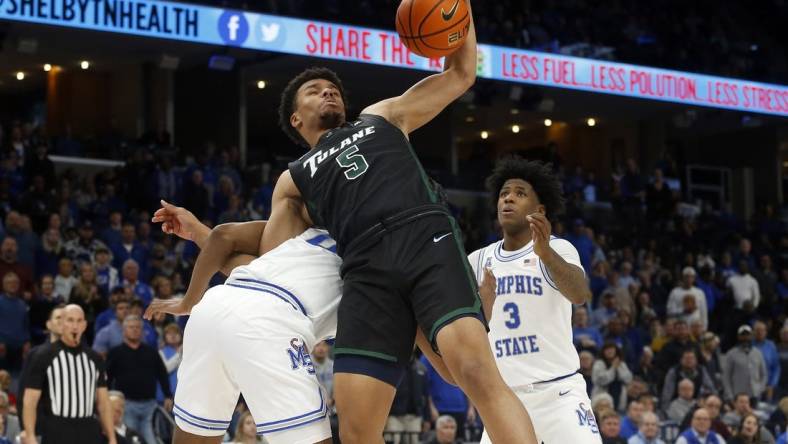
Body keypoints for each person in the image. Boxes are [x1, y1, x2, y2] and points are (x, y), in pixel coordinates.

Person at [159, 4, 536, 444]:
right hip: (363, 267)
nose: (329, 93)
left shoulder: (381, 116)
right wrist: (200, 233)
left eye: (333, 88)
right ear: (296, 119)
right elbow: (268, 262)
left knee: (472, 371)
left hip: (421, 234)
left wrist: (464, 12)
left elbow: (461, 75)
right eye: (315, 91)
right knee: (357, 429)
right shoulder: (293, 178)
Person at [468, 157, 600, 444]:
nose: (508, 199)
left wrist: (546, 255)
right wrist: (482, 310)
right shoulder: (477, 261)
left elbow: (580, 294)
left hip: (558, 393)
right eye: (504, 194)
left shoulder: (558, 248)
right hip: (504, 400)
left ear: (539, 210)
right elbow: (465, 333)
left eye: (519, 193)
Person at [21, 304, 116, 444]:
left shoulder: (95, 358)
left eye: (79, 321)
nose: (75, 326)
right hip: (57, 429)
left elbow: (103, 403)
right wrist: (30, 434)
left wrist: (112, 437)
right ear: (62, 324)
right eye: (70, 320)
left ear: (84, 325)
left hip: (88, 429)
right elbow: (30, 401)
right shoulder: (43, 356)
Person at [106, 315, 172, 444]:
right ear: (124, 330)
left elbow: (162, 374)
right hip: (127, 405)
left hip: (150, 405)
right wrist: (107, 400)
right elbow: (107, 377)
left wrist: (168, 395)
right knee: (131, 441)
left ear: (142, 331)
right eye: (131, 327)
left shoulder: (151, 352)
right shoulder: (115, 353)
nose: (135, 330)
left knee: (151, 440)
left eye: (138, 327)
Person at [723, 326, 767, 401]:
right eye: (743, 335)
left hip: (754, 395)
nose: (745, 338)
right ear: (739, 337)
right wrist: (730, 395)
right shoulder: (731, 354)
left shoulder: (758, 353)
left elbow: (764, 374)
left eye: (747, 335)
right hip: (738, 396)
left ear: (751, 336)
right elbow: (726, 377)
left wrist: (760, 389)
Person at [593, 342, 634, 412]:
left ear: (616, 351)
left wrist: (618, 368)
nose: (609, 351)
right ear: (603, 352)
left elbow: (628, 379)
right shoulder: (599, 363)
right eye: (607, 349)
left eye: (612, 349)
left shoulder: (621, 364)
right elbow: (600, 380)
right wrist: (613, 368)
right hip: (602, 400)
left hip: (619, 398)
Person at [752, 320, 780, 402]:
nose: (760, 332)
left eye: (762, 330)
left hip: (768, 386)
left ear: (766, 332)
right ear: (753, 332)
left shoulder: (771, 346)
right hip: (752, 386)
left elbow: (776, 367)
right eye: (757, 330)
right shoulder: (748, 345)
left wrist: (772, 385)